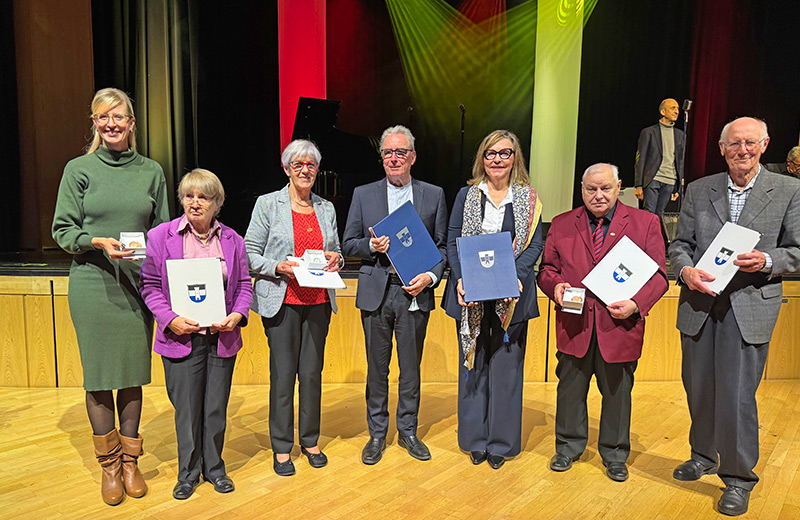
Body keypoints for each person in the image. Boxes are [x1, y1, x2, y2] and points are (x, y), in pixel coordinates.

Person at [669, 117, 800, 516]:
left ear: (764, 144)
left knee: (738, 394)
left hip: (749, 305)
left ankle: (739, 477)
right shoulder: (698, 189)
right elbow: (680, 246)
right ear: (721, 149)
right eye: (734, 144)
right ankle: (703, 454)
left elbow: (797, 249)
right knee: (699, 387)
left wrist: (766, 260)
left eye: (750, 143)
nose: (742, 150)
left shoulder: (790, 190)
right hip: (700, 304)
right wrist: (686, 271)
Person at [52, 87, 169, 505]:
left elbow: (164, 231)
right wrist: (96, 240)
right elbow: (62, 231)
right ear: (95, 123)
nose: (112, 124)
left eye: (119, 117)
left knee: (133, 376)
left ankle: (132, 461)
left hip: (138, 287)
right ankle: (110, 467)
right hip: (92, 284)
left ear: (132, 124)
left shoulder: (152, 171)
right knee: (101, 378)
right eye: (103, 117)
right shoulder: (78, 169)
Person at [538, 163, 668, 482]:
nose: (598, 195)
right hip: (574, 325)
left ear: (619, 186)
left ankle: (614, 453)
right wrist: (554, 287)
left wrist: (636, 304)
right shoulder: (562, 223)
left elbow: (659, 277)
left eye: (605, 188)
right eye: (591, 189)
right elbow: (546, 270)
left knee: (618, 394)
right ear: (581, 189)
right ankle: (568, 447)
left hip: (620, 326)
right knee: (570, 391)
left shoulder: (646, 223)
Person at [139, 169, 253, 499]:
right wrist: (170, 319)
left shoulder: (233, 239)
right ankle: (188, 473)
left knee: (216, 408)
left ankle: (215, 468)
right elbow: (150, 286)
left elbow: (244, 286)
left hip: (221, 337)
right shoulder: (162, 236)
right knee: (187, 411)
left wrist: (237, 315)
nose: (195, 203)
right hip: (181, 337)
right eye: (189, 196)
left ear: (217, 203)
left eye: (203, 197)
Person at [342, 125, 447, 465]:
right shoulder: (363, 194)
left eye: (401, 152)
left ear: (413, 157)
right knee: (377, 368)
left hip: (414, 292)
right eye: (388, 152)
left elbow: (442, 248)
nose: (394, 158)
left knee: (411, 368)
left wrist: (430, 277)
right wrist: (371, 245)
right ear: (382, 158)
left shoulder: (433, 195)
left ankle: (408, 431)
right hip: (377, 289)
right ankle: (376, 434)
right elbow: (348, 244)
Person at [441, 130, 543, 469]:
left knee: (506, 370)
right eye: (490, 153)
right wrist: (459, 278)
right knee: (472, 366)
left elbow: (534, 246)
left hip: (511, 296)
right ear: (481, 158)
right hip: (470, 294)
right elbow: (453, 239)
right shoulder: (467, 195)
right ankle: (475, 440)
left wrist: (515, 275)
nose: (497, 159)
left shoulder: (529, 199)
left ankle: (501, 443)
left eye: (504, 153)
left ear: (515, 158)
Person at [245, 140, 343, 477]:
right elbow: (249, 253)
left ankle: (311, 440)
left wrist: (337, 258)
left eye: (311, 165)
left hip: (318, 302)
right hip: (282, 301)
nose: (305, 170)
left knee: (312, 375)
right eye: (298, 164)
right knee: (284, 376)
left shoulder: (326, 208)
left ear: (317, 170)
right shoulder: (268, 204)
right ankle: (282, 447)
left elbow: (336, 251)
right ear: (286, 168)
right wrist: (278, 267)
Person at [635, 98, 685, 218]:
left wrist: (677, 188)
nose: (677, 111)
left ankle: (654, 237)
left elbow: (680, 161)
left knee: (659, 215)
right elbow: (640, 159)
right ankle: (644, 237)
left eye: (678, 108)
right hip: (653, 178)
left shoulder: (680, 135)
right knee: (649, 213)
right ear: (663, 112)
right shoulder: (649, 132)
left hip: (670, 180)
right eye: (673, 108)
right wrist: (638, 185)